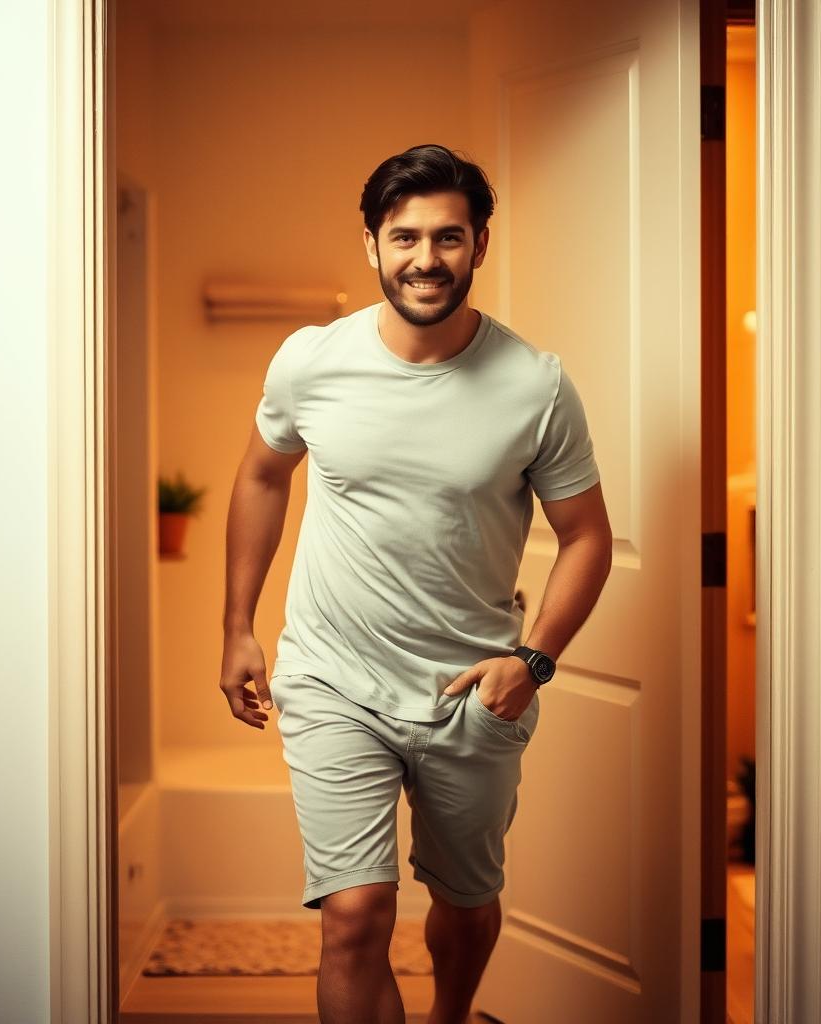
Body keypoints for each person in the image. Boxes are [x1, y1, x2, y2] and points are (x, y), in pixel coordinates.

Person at [220, 143, 613, 1024]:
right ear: (373, 246)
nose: (424, 259)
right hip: (330, 677)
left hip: (471, 690)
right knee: (353, 915)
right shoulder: (310, 362)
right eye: (404, 237)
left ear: (479, 244)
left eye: (447, 237)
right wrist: (238, 625)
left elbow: (587, 536)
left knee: (466, 906)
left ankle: (450, 1016)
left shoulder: (535, 386)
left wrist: (533, 661)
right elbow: (259, 477)